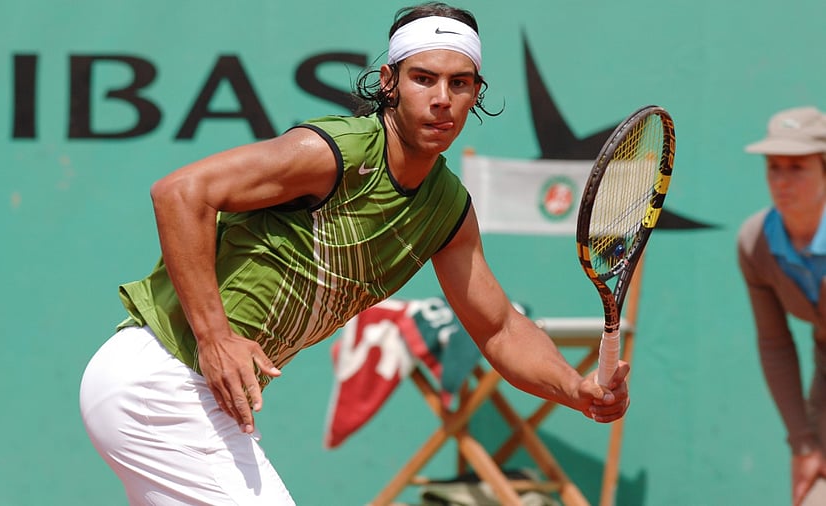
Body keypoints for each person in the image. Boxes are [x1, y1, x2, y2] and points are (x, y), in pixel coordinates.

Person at [79, 2, 631, 504]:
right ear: (389, 82)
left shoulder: (447, 210)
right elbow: (180, 193)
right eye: (424, 79)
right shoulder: (336, 152)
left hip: (192, 398)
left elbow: (498, 330)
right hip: (165, 378)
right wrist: (215, 337)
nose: (442, 98)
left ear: (475, 93)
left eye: (460, 83)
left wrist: (575, 388)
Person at [739, 106, 826, 506]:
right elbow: (775, 344)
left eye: (797, 167)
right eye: (774, 167)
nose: (782, 181)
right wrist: (804, 444)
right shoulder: (756, 242)